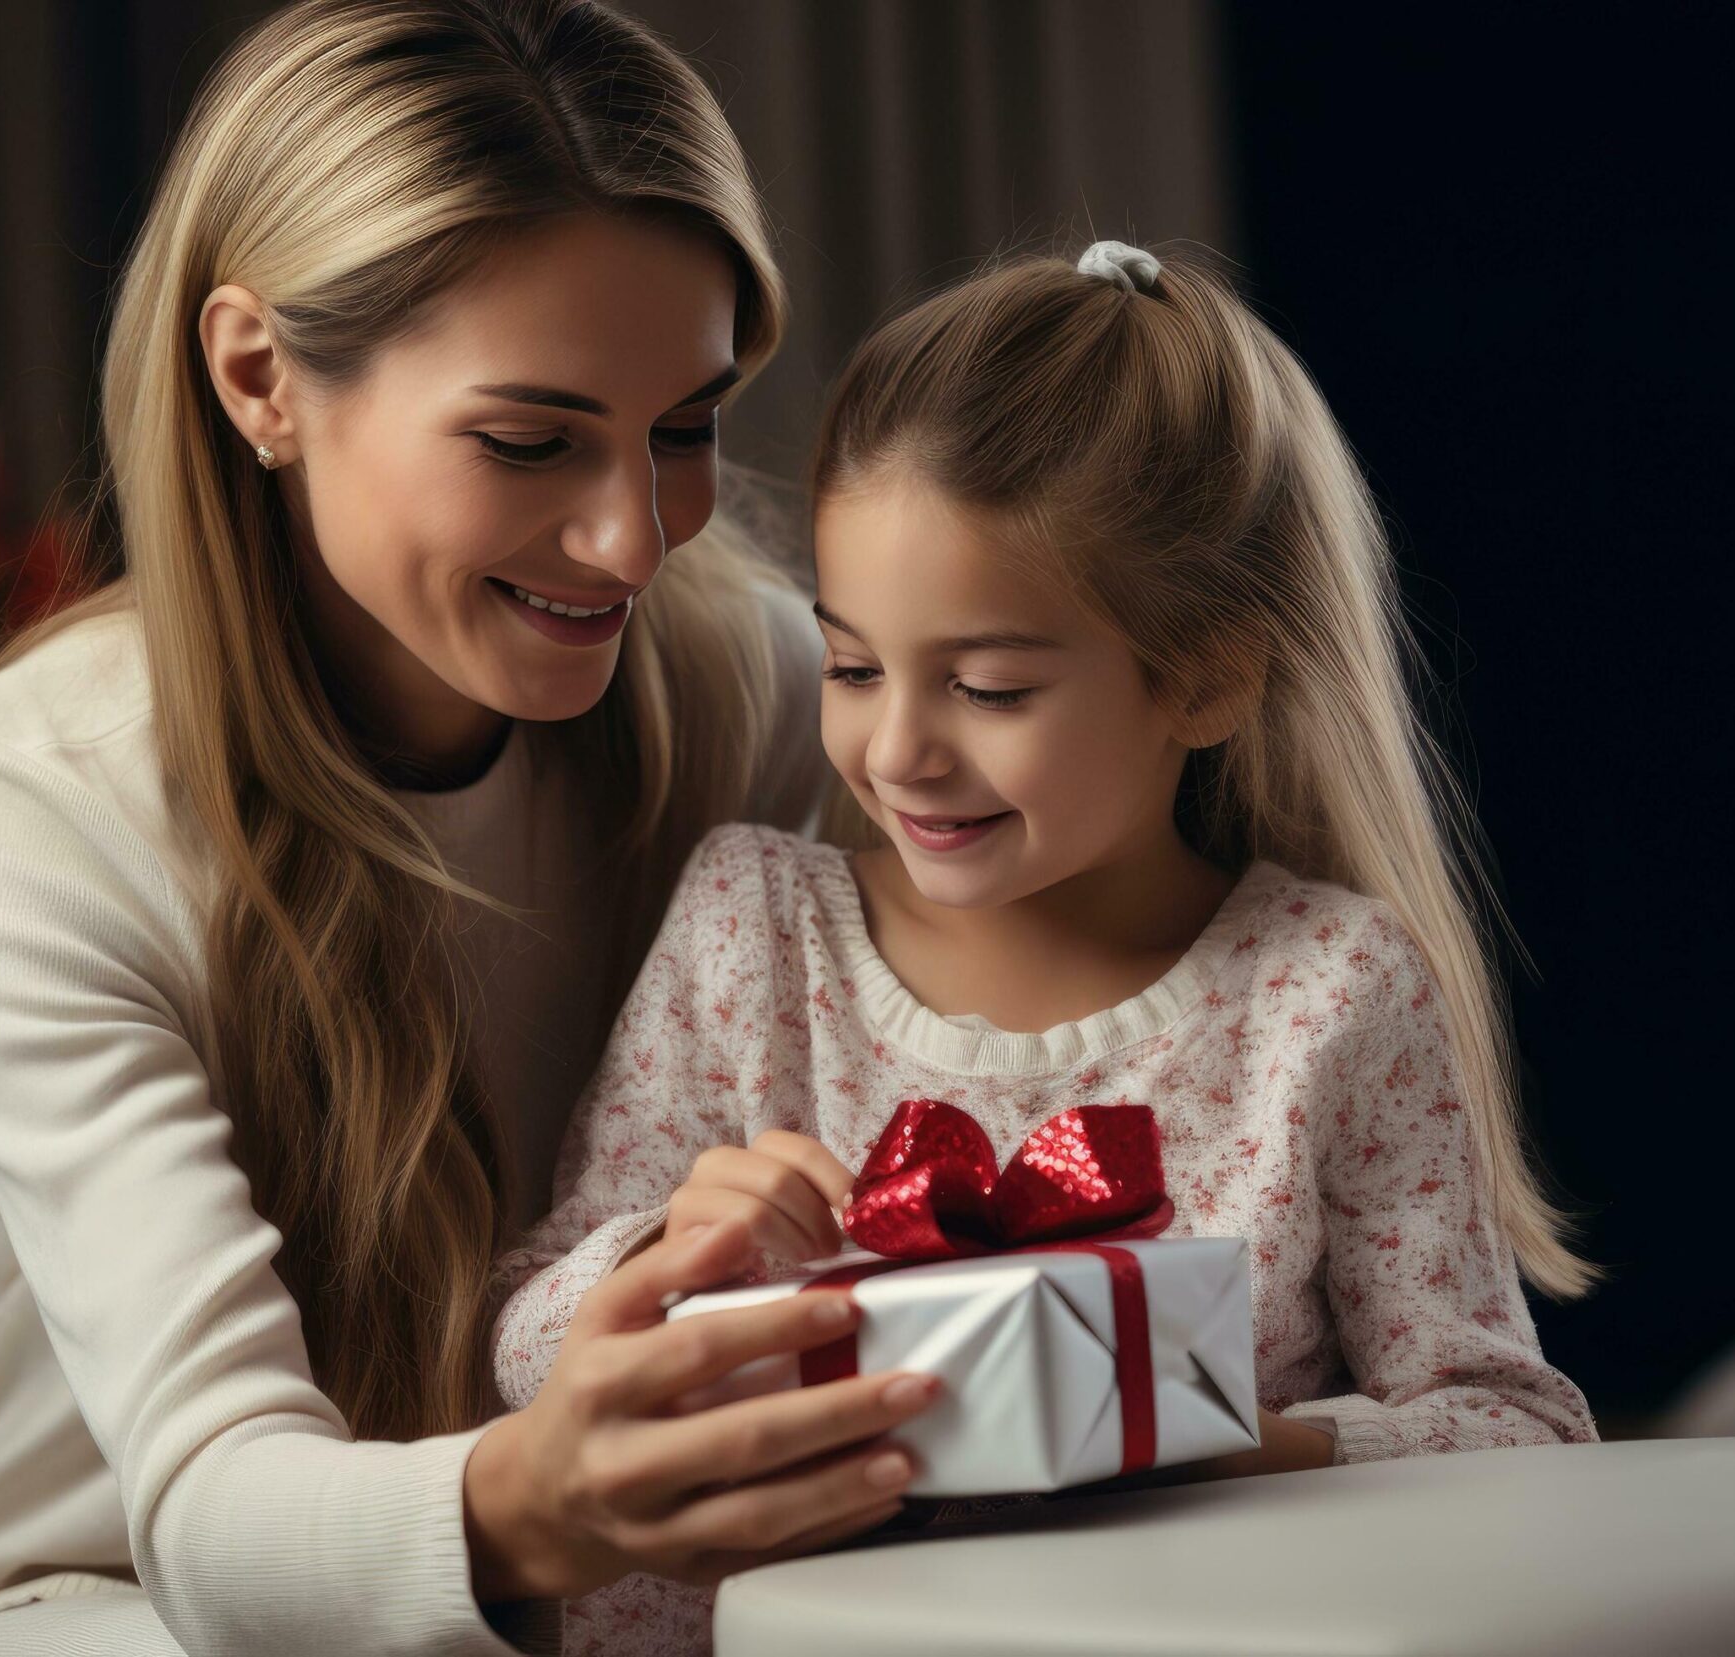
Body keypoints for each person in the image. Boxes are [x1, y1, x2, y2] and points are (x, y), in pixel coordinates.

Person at [0, 4, 947, 1653]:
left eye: (684, 428)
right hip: (95, 1595)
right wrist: (536, 1498)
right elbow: (213, 1507)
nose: (633, 539)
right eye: (529, 440)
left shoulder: (756, 686)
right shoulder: (26, 804)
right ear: (260, 377)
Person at [491, 241, 1604, 1654]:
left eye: (989, 685)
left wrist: (1216, 1442)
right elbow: (524, 1346)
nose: (896, 749)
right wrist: (667, 1256)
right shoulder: (750, 929)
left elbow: (1518, 1429)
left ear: (1205, 678)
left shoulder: (1326, 988)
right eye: (852, 665)